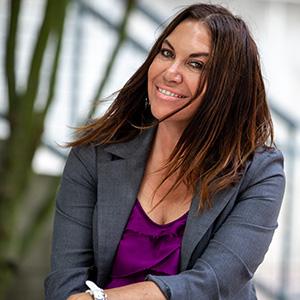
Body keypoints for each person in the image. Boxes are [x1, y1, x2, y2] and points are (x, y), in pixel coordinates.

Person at [44, 3, 285, 300]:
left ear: (228, 86)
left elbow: (214, 283)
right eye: (167, 53)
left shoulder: (259, 172)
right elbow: (65, 281)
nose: (170, 72)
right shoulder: (95, 152)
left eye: (196, 64)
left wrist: (103, 299)